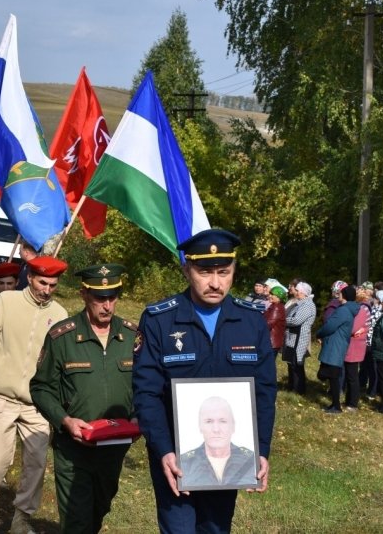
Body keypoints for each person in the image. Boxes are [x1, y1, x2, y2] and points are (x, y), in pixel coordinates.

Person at [132, 228, 276, 534]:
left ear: (234, 270)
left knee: (216, 528)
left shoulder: (251, 321)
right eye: (204, 271)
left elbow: (264, 392)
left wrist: (261, 449)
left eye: (224, 272)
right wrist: (164, 450)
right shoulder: (160, 320)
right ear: (187, 270)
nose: (215, 282)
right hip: (175, 456)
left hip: (228, 454)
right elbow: (146, 393)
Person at [0, 256, 68, 534]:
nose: (46, 289)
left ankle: (21, 518)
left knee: (35, 465)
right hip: (0, 397)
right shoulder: (5, 302)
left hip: (38, 406)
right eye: (42, 282)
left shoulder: (60, 314)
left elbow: (62, 364)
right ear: (30, 278)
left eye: (53, 285)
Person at [30, 263, 138, 534]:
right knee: (76, 520)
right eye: (100, 298)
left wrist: (138, 419)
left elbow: (144, 386)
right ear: (84, 295)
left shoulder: (132, 337)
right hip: (74, 448)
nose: (107, 306)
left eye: (112, 297)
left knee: (98, 510)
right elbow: (41, 388)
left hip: (114, 447)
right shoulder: (62, 336)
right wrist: (64, 420)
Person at [178, 397, 256, 488]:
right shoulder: (185, 463)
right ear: (200, 426)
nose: (216, 429)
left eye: (223, 421)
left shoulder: (250, 460)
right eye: (209, 421)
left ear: (233, 426)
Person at [316, 285, 359, 413]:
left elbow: (330, 325)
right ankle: (334, 404)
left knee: (332, 377)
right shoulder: (347, 309)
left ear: (345, 296)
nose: (338, 294)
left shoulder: (343, 311)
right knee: (331, 376)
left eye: (341, 293)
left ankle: (336, 406)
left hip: (336, 345)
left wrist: (319, 333)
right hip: (338, 344)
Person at [283, 281, 316, 395]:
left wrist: (283, 320)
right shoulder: (301, 303)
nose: (295, 292)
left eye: (297, 290)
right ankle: (293, 386)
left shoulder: (307, 305)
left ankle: (299, 389)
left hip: (299, 338)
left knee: (297, 364)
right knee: (292, 363)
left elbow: (296, 320)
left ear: (303, 292)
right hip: (293, 337)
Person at [344, 289, 372, 410]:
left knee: (352, 375)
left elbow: (354, 328)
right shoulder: (362, 309)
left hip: (355, 345)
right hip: (355, 344)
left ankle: (353, 403)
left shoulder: (360, 310)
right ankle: (349, 400)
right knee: (350, 374)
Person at [263, 286, 286, 357]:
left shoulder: (277, 307)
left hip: (271, 342)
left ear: (278, 297)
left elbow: (268, 324)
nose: (270, 296)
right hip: (270, 341)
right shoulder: (274, 306)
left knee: (266, 366)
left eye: (272, 294)